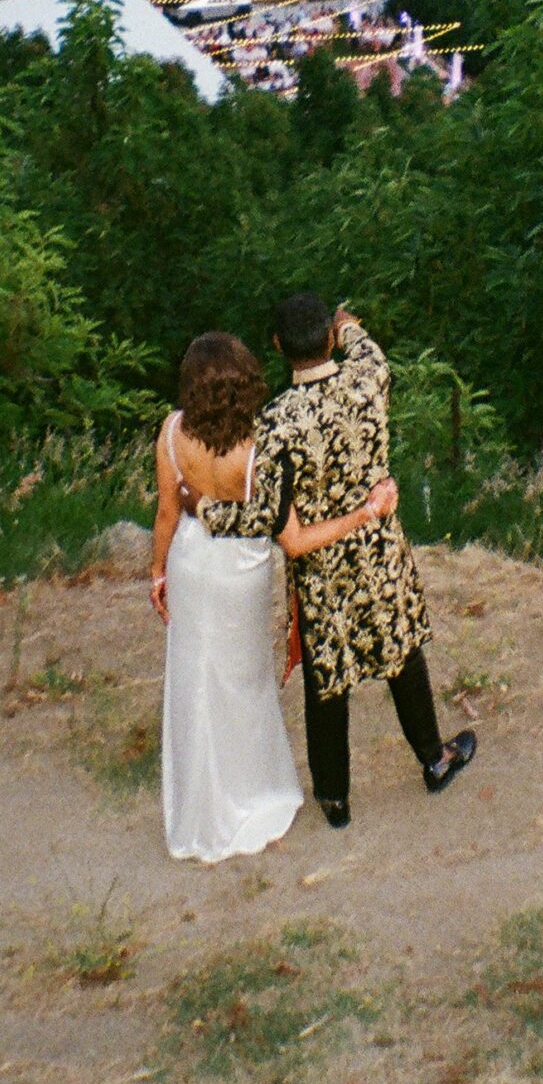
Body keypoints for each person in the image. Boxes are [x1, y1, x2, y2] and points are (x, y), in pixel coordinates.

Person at [194, 296, 475, 830]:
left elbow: (266, 516)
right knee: (402, 654)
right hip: (379, 551)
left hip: (323, 571)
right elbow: (363, 343)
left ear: (277, 346)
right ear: (328, 336)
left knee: (328, 678)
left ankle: (335, 798)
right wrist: (346, 325)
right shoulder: (369, 377)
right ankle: (434, 759)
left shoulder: (275, 422)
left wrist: (206, 511)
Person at [152, 332, 397, 865]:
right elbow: (295, 541)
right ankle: (252, 791)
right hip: (239, 573)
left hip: (190, 563)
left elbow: (168, 513)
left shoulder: (171, 432)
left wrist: (157, 574)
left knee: (195, 679)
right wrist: (366, 512)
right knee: (242, 683)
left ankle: (199, 807)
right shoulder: (261, 447)